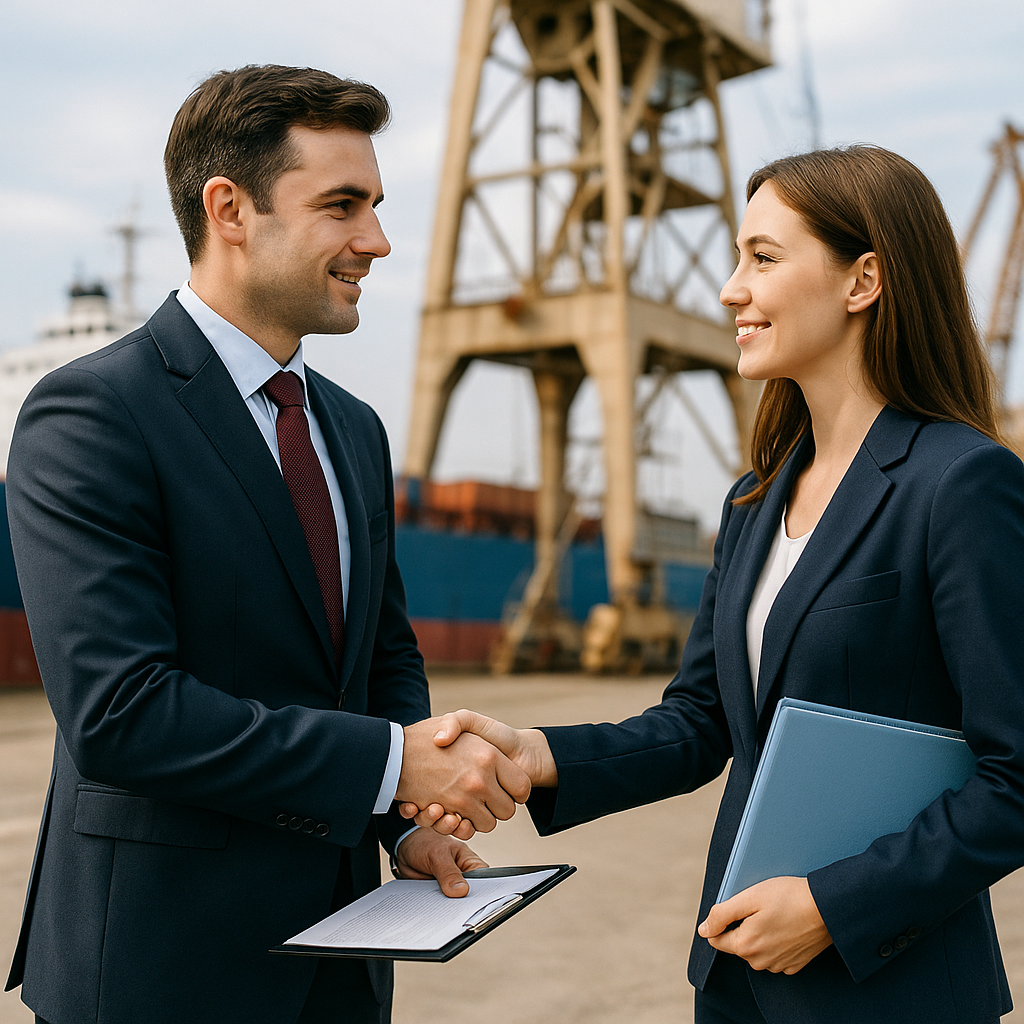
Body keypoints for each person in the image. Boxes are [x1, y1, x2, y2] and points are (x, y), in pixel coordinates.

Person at [404, 145, 1024, 1023]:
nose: (730, 288)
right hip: (737, 982)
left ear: (864, 281)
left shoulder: (961, 484)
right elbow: (702, 723)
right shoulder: (754, 497)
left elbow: (1016, 776)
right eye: (737, 257)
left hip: (893, 992)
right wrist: (540, 755)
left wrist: (829, 908)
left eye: (763, 258)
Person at [4, 64, 530, 1024]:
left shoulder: (354, 428)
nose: (375, 240)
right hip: (159, 973)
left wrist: (404, 823)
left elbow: (380, 655)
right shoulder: (94, 412)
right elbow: (122, 713)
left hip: (343, 961)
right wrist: (392, 764)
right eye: (341, 205)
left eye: (373, 204)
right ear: (229, 209)